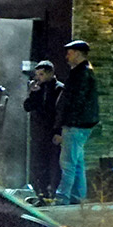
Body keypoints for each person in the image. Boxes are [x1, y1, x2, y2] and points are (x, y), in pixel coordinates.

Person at [54, 39, 99, 205]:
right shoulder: (85, 71)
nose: (67, 56)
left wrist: (65, 123)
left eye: (70, 52)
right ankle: (78, 197)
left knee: (68, 163)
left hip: (75, 124)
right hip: (83, 124)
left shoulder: (80, 74)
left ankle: (62, 197)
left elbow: (75, 101)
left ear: (78, 54)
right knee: (77, 162)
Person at [23, 60, 63, 201]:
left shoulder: (59, 89)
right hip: (39, 132)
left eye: (41, 74)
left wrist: (59, 131)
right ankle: (41, 191)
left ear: (50, 73)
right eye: (37, 74)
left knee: (54, 162)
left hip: (51, 131)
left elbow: (60, 112)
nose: (38, 77)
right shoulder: (38, 89)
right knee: (39, 162)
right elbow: (27, 107)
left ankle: (53, 191)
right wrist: (33, 93)